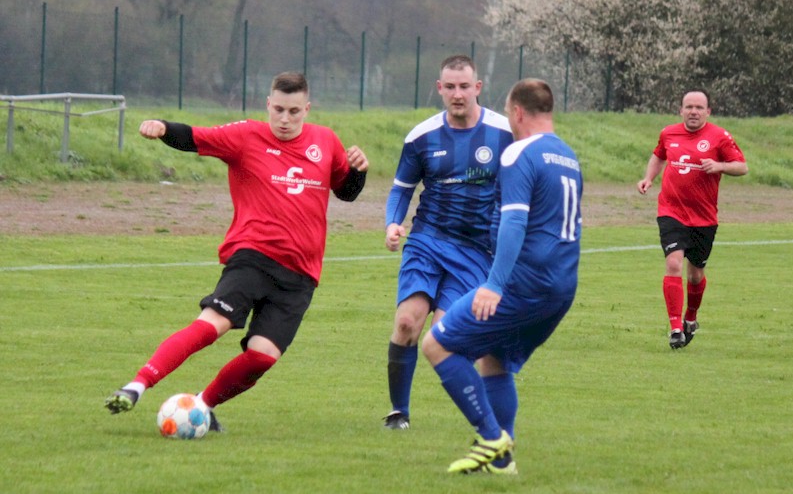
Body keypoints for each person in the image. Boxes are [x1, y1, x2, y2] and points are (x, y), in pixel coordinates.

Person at [105, 72, 369, 429]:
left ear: (307, 108)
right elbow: (195, 137)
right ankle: (137, 385)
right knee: (213, 325)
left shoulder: (326, 141)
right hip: (253, 257)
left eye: (294, 111)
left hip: (302, 274)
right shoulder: (246, 135)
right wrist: (163, 127)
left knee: (262, 357)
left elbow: (347, 191)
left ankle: (202, 405)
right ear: (268, 105)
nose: (285, 119)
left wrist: (359, 171)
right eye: (278, 109)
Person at [421, 78, 581, 474]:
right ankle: (502, 463)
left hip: (522, 283)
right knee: (494, 360)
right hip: (561, 286)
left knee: (437, 345)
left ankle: (491, 436)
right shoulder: (568, 156)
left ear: (517, 113)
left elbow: (514, 223)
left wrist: (494, 284)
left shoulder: (518, 153)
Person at [382, 55, 514, 429]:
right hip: (427, 240)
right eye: (450, 87)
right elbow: (400, 190)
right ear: (440, 88)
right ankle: (398, 413)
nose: (458, 94)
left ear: (478, 88)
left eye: (464, 86)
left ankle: (485, 423)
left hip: (475, 252)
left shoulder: (504, 134)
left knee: (445, 337)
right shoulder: (421, 137)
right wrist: (393, 224)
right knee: (407, 322)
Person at [637, 89, 748, 349]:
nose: (694, 111)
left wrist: (720, 166)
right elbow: (659, 155)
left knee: (695, 274)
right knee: (674, 263)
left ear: (708, 111)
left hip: (704, 217)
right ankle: (675, 327)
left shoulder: (720, 137)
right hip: (671, 211)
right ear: (681, 110)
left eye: (699, 107)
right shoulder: (669, 133)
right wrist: (648, 178)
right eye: (689, 107)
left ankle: (691, 318)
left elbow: (742, 166)